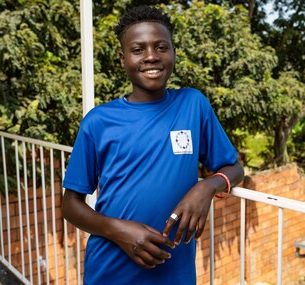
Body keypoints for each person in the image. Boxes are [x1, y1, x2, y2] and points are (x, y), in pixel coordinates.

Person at [62, 5, 244, 285]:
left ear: (173, 53)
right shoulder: (98, 121)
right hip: (111, 269)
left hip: (175, 270)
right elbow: (71, 204)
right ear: (123, 59)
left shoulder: (193, 104)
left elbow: (234, 168)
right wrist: (119, 231)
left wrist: (206, 187)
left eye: (161, 47)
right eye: (138, 50)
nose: (151, 57)